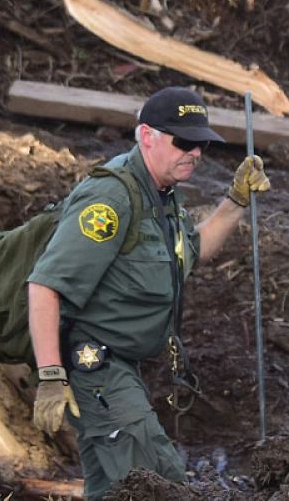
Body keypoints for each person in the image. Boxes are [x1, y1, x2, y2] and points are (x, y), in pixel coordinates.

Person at [25, 86, 269, 495]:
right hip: (96, 366)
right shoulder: (111, 198)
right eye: (184, 142)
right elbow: (45, 285)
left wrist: (236, 201)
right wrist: (51, 376)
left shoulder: (161, 196)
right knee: (158, 482)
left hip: (124, 367)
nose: (195, 152)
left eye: (202, 144)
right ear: (146, 136)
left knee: (112, 490)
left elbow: (191, 252)